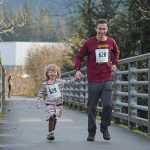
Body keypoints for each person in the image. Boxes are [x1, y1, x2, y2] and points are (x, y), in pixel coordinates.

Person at [74, 19, 120, 141]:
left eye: (104, 29)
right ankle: (91, 132)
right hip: (93, 79)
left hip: (107, 78)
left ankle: (104, 127)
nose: (102, 31)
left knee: (108, 105)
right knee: (92, 107)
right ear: (96, 29)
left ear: (107, 29)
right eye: (100, 28)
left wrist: (115, 63)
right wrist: (78, 70)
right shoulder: (89, 43)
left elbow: (116, 53)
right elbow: (79, 57)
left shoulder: (111, 42)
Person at [37, 64, 73, 140]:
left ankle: (52, 131)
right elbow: (42, 91)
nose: (52, 73)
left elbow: (68, 82)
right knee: (51, 115)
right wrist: (39, 98)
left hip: (58, 104)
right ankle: (50, 133)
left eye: (54, 72)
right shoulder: (45, 83)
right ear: (47, 73)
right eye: (50, 72)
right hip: (49, 103)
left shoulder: (60, 82)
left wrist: (75, 79)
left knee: (55, 117)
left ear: (57, 73)